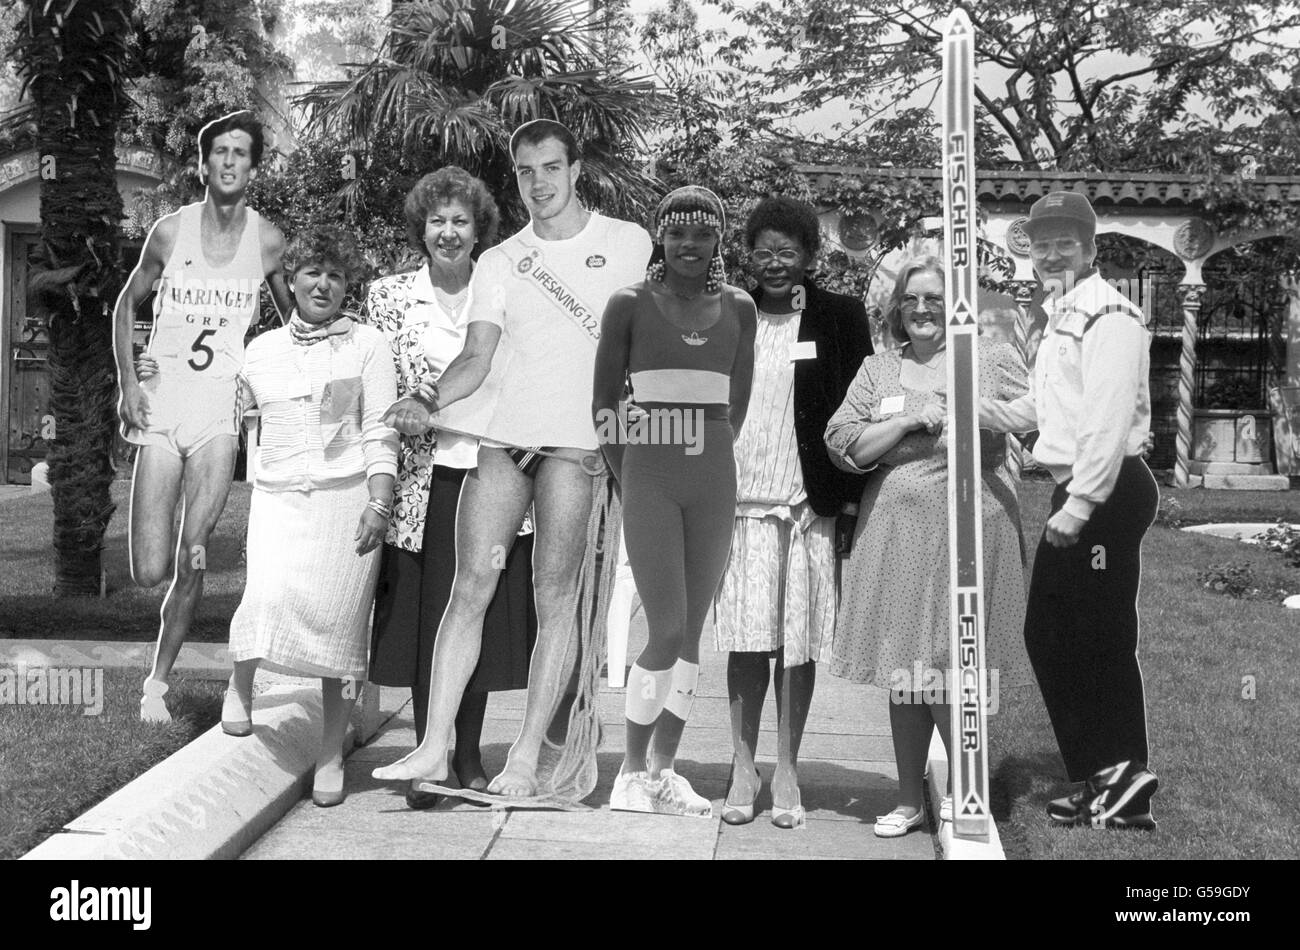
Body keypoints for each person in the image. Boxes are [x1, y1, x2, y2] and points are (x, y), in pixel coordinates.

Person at [372, 120, 653, 798]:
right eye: (525, 172)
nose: (538, 184)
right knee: (469, 587)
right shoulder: (500, 261)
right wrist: (423, 398)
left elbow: (644, 342)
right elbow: (476, 357)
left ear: (576, 167)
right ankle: (435, 747)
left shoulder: (626, 243)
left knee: (555, 598)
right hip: (505, 445)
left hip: (577, 450)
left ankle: (526, 758)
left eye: (551, 168)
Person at [824, 256, 1032, 837]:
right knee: (906, 668)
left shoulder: (989, 359)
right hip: (897, 534)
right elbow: (844, 443)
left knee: (951, 661)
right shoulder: (878, 370)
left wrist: (974, 409)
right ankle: (908, 796)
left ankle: (967, 793)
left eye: (935, 298)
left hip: (972, 528)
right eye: (911, 299)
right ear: (897, 309)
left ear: (958, 306)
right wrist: (911, 420)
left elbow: (1041, 411)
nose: (921, 309)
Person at [979, 191, 1160, 829]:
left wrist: (1080, 505)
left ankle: (1122, 783)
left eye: (1065, 242)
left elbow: (1107, 426)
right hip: (1082, 487)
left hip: (1103, 492)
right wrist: (974, 409)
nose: (1051, 253)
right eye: (1041, 243)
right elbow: (1046, 409)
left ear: (1089, 248)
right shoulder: (1062, 314)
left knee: (1098, 638)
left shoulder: (1110, 314)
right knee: (1055, 635)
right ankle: (1102, 776)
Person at [362, 167, 537, 810]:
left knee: (480, 615)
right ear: (421, 227)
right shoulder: (386, 297)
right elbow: (379, 388)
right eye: (437, 219)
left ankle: (467, 754)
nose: (448, 231)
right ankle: (423, 757)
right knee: (429, 615)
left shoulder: (507, 294)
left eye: (461, 220)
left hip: (493, 471)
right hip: (422, 479)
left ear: (478, 228)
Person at [113, 110, 292, 722]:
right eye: (219, 150)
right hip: (163, 409)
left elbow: (297, 322)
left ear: (253, 166)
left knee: (193, 556)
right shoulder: (169, 231)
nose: (229, 161)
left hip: (219, 415)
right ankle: (158, 646)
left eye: (241, 152)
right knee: (149, 569)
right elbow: (126, 302)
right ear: (203, 161)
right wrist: (127, 380)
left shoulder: (267, 240)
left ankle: (156, 685)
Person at [593, 186, 756, 815]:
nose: (690, 245)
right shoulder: (630, 304)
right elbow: (606, 403)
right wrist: (629, 469)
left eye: (703, 233)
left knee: (692, 633)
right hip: (650, 474)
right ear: (661, 237)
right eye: (678, 233)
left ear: (718, 239)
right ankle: (630, 772)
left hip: (714, 473)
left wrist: (707, 453)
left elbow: (733, 406)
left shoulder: (739, 307)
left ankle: (664, 770)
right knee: (662, 625)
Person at [221, 226, 397, 807]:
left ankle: (329, 753)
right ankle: (240, 685)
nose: (323, 285)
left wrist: (379, 501)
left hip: (345, 500)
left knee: (340, 626)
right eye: (312, 273)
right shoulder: (260, 350)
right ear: (291, 281)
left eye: (336, 275)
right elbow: (226, 408)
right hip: (276, 498)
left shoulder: (367, 344)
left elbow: (379, 429)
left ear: (349, 284)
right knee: (264, 596)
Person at [714, 196, 873, 829]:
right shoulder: (727, 312)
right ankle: (741, 763)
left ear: (809, 256)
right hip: (738, 500)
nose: (774, 263)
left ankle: (787, 766)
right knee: (746, 640)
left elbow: (865, 406)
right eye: (763, 251)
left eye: (788, 252)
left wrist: (855, 502)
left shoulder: (839, 316)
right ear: (746, 254)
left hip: (811, 504)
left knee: (798, 644)